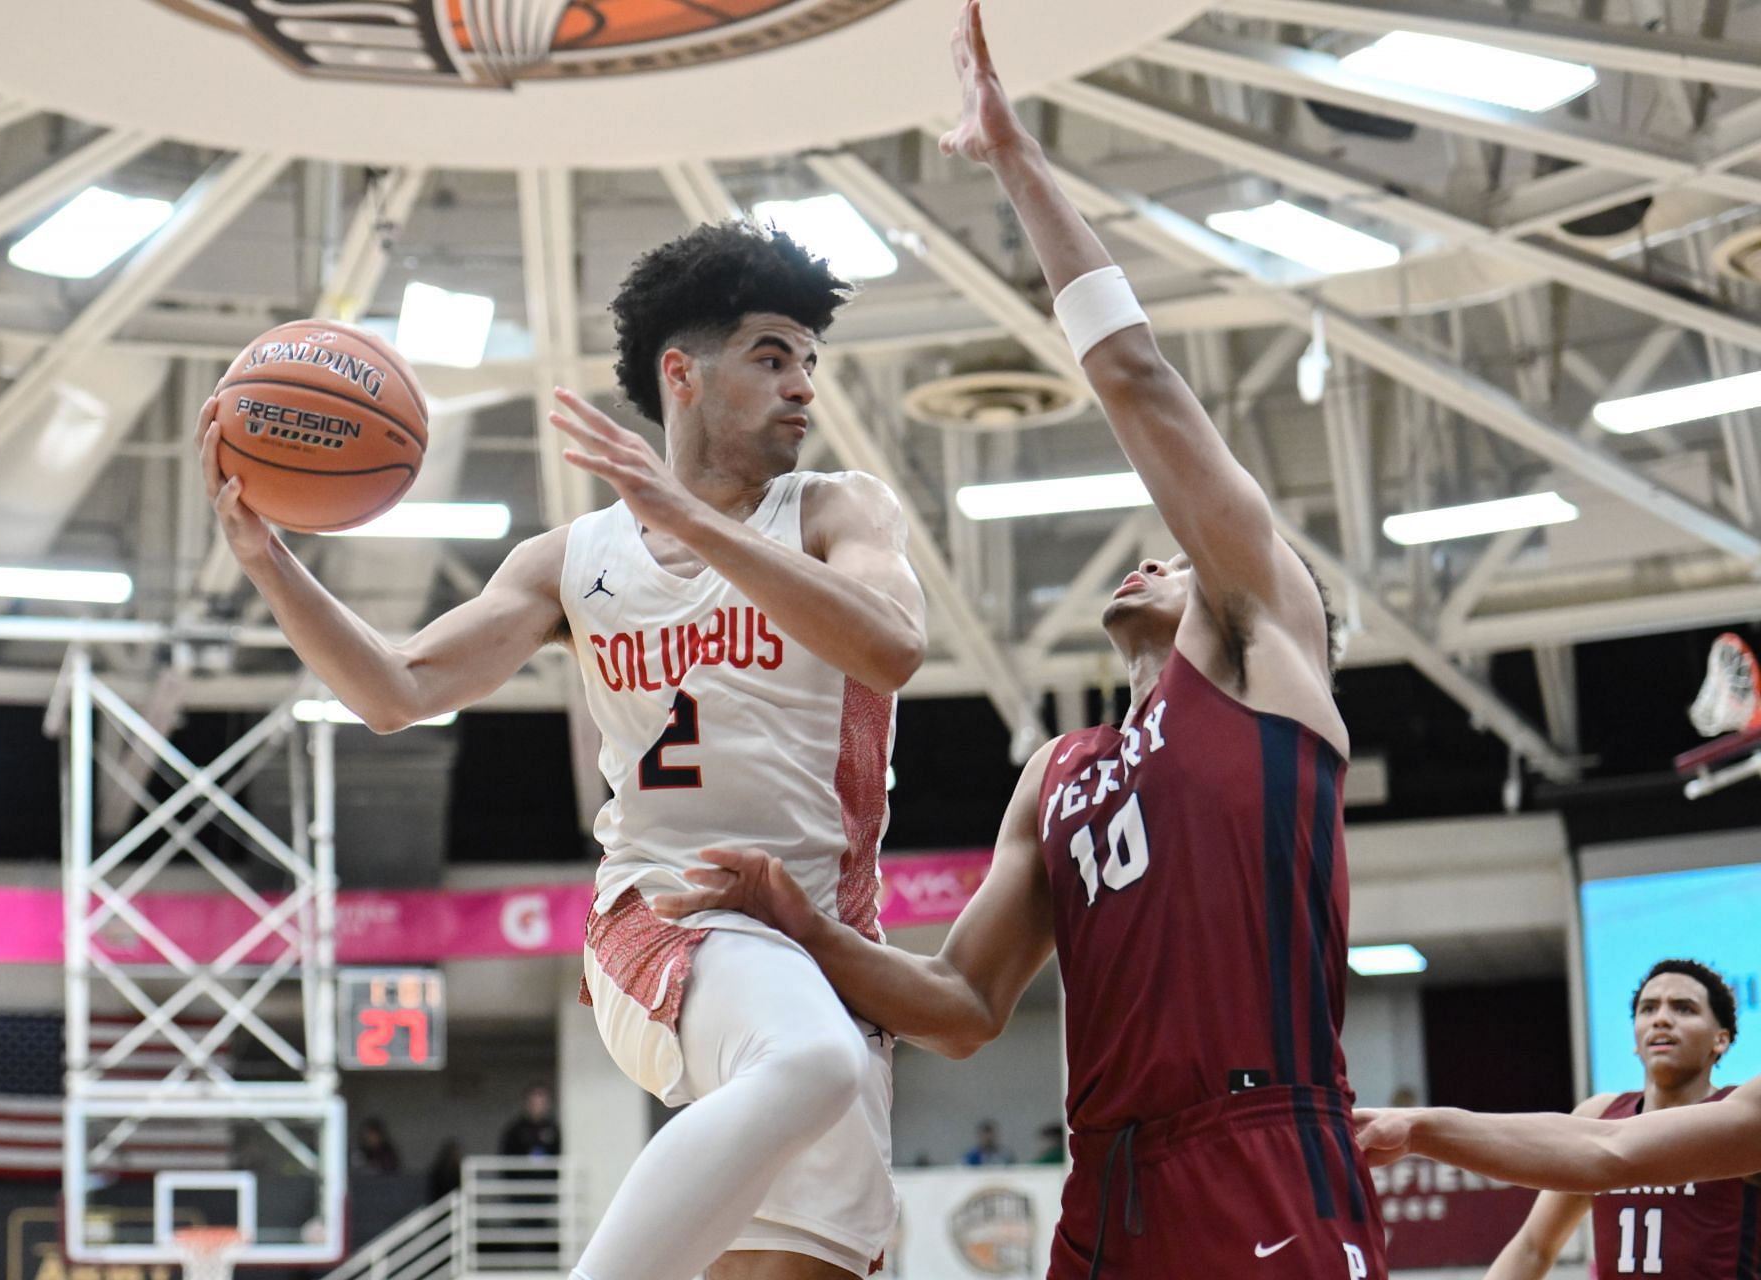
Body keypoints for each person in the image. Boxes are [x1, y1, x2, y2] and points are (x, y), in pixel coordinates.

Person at [657, 5, 1384, 1278]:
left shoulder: (1273, 658)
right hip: (1104, 1184)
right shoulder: (1059, 772)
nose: (1151, 556)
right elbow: (961, 1009)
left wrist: (1012, 160)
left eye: (1181, 558)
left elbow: (1142, 381)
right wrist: (807, 927)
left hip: (1262, 1139)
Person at [201, 219, 926, 1280]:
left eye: (809, 362)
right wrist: (270, 563)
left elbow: (893, 644)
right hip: (662, 916)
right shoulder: (571, 560)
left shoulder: (836, 511)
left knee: (812, 1213)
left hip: (826, 952)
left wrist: (692, 515)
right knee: (807, 1060)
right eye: (773, 357)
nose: (803, 386)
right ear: (682, 373)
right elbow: (393, 689)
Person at [1481, 959, 1752, 1279]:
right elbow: (1533, 1246)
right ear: (1636, 1041)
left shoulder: (1742, 1121)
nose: (1661, 1019)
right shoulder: (1600, 1116)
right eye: (1649, 1009)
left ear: (1720, 1040)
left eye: (1683, 1009)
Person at [1354, 1076, 1761, 1190]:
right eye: (1648, 1007)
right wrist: (1417, 1129)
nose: (1661, 1020)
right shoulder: (1606, 1111)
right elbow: (1604, 1148)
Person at [499, 1085, 561, 1158]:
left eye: (542, 1103)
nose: (538, 1108)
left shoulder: (553, 1128)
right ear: (527, 1103)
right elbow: (506, 1155)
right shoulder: (515, 1129)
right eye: (534, 1103)